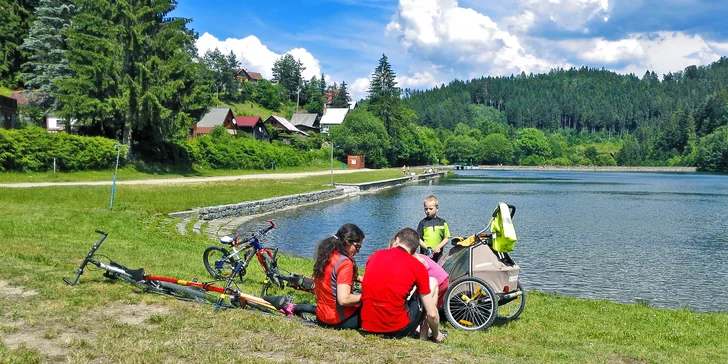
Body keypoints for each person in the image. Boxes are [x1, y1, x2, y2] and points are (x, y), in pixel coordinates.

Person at [360, 228, 445, 343]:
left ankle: (424, 334)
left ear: (397, 239)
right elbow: (432, 313)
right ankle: (429, 336)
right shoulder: (417, 266)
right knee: (433, 282)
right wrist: (437, 333)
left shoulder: (375, 255)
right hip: (396, 329)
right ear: (415, 249)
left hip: (367, 324)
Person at [312, 223, 365, 329]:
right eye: (357, 246)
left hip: (321, 316)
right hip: (338, 320)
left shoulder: (327, 255)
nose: (358, 251)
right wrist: (368, 296)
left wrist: (361, 279)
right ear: (347, 241)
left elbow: (332, 276)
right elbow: (344, 299)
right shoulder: (345, 263)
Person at [417, 195, 451, 262]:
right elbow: (418, 239)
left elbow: (446, 238)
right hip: (426, 254)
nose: (428, 211)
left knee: (438, 269)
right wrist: (427, 249)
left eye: (430, 208)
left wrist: (439, 247)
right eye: (426, 209)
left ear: (437, 208)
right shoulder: (422, 223)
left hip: (438, 254)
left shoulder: (442, 222)